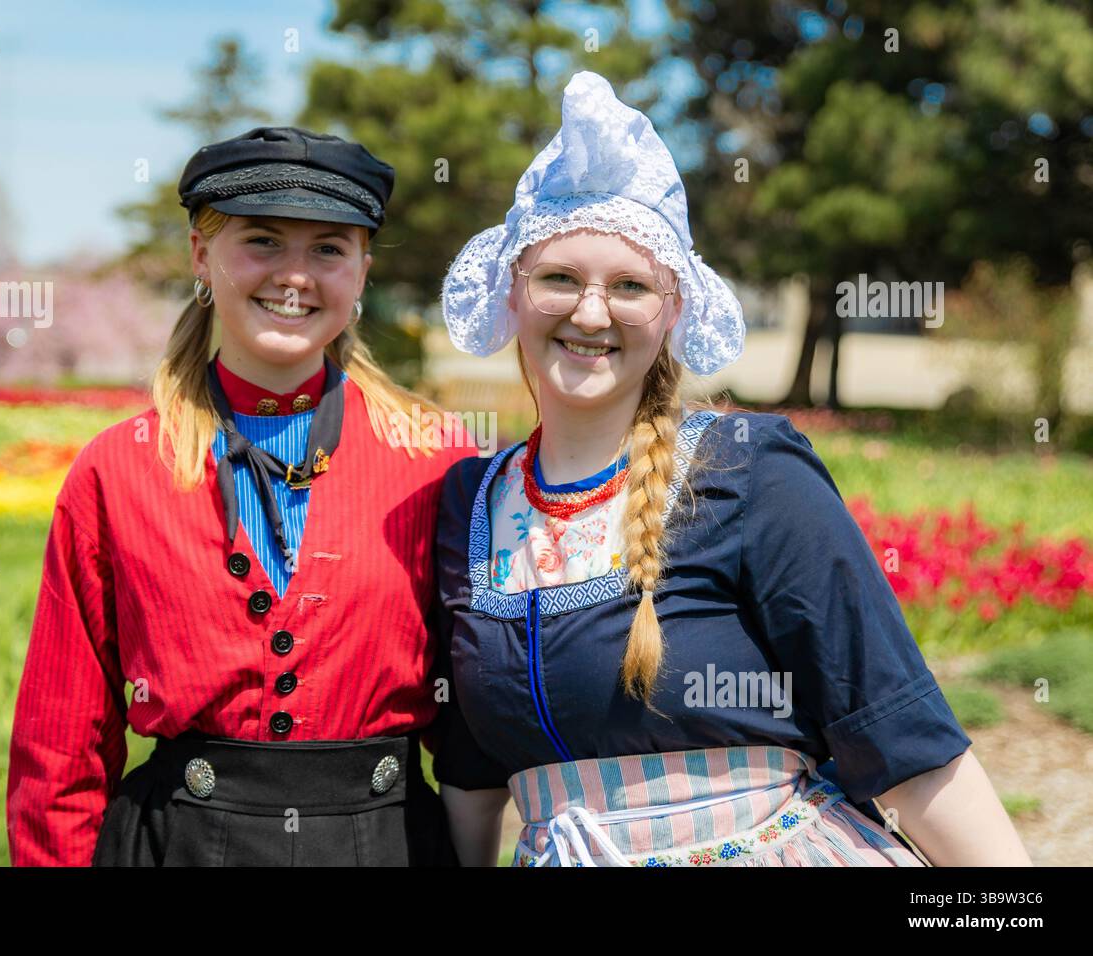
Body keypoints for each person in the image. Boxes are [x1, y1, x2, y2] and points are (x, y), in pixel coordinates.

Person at [429, 72, 1032, 867]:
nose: (590, 312)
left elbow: (894, 724)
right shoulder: (472, 503)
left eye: (630, 286)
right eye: (559, 278)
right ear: (513, 290)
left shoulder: (747, 471)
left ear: (673, 308)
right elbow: (473, 770)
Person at [7, 126, 475, 866]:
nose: (296, 275)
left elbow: (475, 726)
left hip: (387, 845)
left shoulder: (440, 461)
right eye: (262, 241)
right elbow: (58, 753)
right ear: (201, 254)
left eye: (328, 248)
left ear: (361, 271)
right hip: (175, 845)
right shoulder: (116, 471)